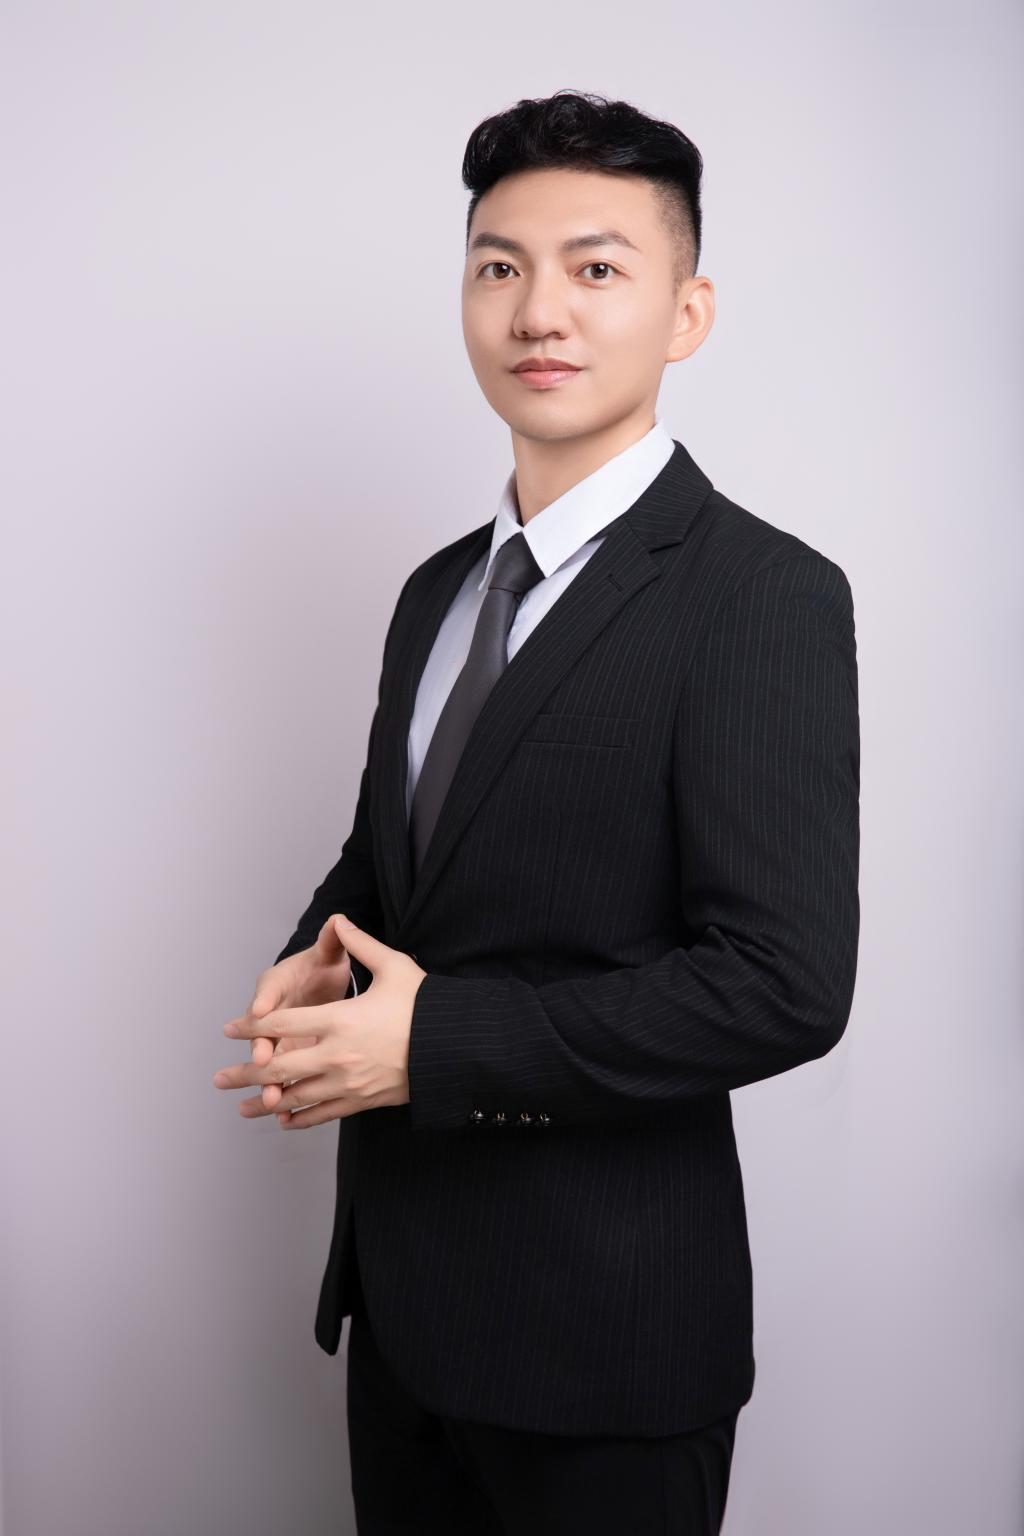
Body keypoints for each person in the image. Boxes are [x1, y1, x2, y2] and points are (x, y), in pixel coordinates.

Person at [214, 88, 860, 1533]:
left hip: (605, 1345)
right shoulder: (436, 591)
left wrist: (431, 1042)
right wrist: (320, 951)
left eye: (595, 267)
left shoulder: (761, 596)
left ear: (686, 314)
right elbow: (404, 852)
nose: (537, 311)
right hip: (401, 1318)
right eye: (498, 266)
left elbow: (784, 984)